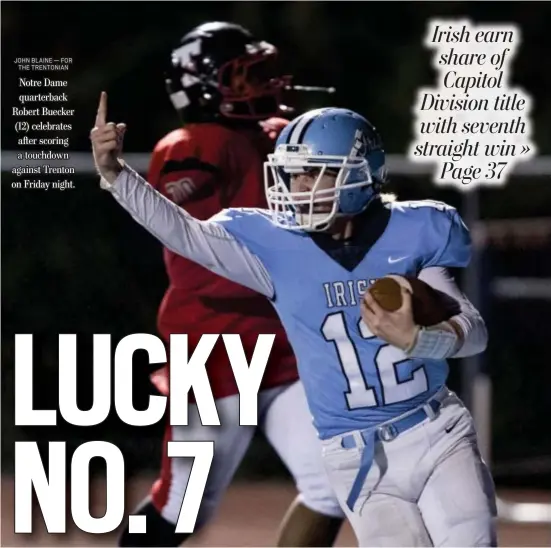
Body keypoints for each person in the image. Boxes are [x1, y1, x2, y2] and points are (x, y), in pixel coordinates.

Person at [92, 98, 498, 546]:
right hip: (355, 453)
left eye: (313, 171)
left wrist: (424, 340)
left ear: (359, 173)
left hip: (435, 428)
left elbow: (472, 330)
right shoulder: (274, 245)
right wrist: (117, 176)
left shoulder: (418, 228)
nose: (297, 185)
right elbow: (183, 231)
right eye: (292, 172)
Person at [115, 22, 345, 548]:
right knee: (183, 507)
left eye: (262, 73)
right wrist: (299, 269)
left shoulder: (281, 136)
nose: (264, 86)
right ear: (203, 88)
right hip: (218, 353)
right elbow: (197, 265)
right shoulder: (192, 145)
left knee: (334, 482)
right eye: (246, 77)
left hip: (290, 349)